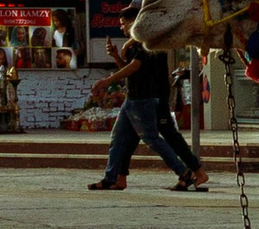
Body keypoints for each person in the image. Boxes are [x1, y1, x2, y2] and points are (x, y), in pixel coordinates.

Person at [85, 37, 206, 191]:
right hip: (132, 99)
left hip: (147, 99)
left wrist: (108, 80)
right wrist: (117, 55)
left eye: (125, 24)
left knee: (157, 138)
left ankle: (187, 172)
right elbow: (129, 70)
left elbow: (135, 67)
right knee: (119, 139)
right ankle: (113, 177)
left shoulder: (148, 43)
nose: (123, 29)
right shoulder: (133, 46)